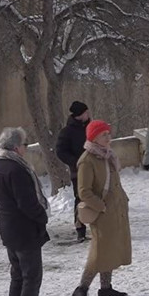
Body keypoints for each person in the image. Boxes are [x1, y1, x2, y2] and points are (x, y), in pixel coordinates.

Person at [0, 127, 50, 296]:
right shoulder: (16, 170)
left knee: (17, 276)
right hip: (24, 231)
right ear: (16, 147)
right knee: (31, 277)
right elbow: (28, 204)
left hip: (8, 229)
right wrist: (43, 216)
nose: (26, 148)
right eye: (25, 144)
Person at [71, 120, 132, 296]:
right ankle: (81, 288)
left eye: (108, 133)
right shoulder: (86, 161)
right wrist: (101, 207)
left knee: (110, 248)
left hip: (116, 210)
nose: (109, 137)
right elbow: (84, 192)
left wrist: (123, 200)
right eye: (104, 134)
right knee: (99, 251)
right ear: (94, 137)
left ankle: (105, 288)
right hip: (102, 213)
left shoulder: (107, 155)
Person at [56, 100, 90, 243]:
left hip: (95, 168)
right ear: (80, 114)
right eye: (86, 112)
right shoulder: (67, 132)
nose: (88, 114)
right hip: (79, 171)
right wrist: (76, 162)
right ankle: (80, 229)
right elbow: (61, 151)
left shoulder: (91, 127)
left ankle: (99, 226)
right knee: (80, 199)